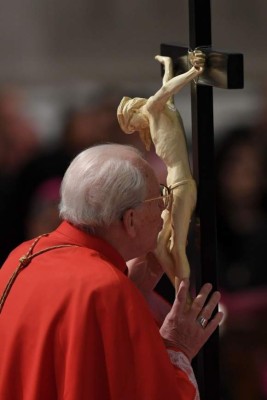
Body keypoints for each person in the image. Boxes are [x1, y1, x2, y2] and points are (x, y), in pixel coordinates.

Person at [0, 144, 223, 400]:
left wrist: (133, 290)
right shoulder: (107, 288)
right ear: (130, 220)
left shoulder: (23, 255)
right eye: (159, 197)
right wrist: (177, 347)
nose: (164, 209)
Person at [117, 53, 204, 289]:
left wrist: (194, 72)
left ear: (135, 112)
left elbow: (167, 89)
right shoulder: (165, 110)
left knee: (177, 246)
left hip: (181, 184)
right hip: (173, 185)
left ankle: (184, 301)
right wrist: (167, 64)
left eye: (131, 123)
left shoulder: (155, 108)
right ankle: (181, 295)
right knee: (158, 243)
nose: (135, 128)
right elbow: (167, 86)